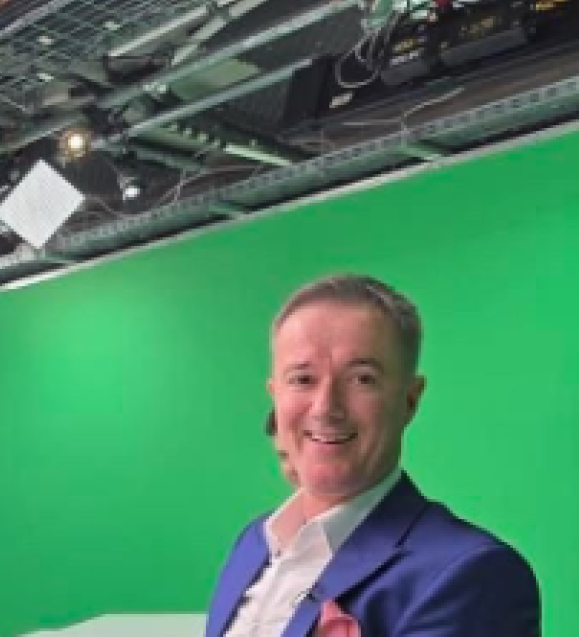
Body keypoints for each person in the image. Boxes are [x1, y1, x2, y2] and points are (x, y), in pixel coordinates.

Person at [205, 273, 541, 637]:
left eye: (362, 379)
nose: (325, 408)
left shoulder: (473, 576)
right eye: (303, 379)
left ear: (409, 400)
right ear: (275, 394)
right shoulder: (254, 543)